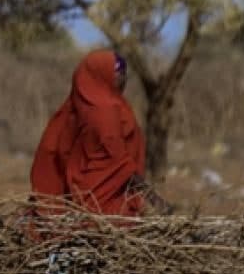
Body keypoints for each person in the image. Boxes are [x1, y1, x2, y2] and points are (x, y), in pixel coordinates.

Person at [30, 49, 170, 216]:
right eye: (120, 74)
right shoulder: (104, 112)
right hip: (102, 203)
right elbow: (119, 163)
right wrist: (154, 199)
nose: (124, 79)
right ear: (104, 75)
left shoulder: (80, 107)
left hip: (79, 198)